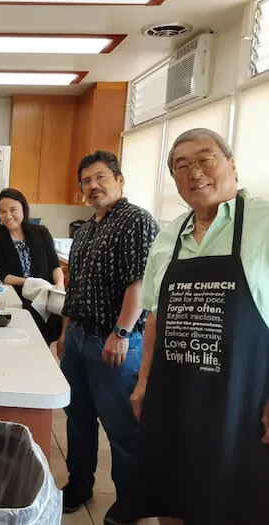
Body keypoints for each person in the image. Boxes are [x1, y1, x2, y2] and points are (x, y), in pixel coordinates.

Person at [129, 129, 269, 525]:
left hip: (242, 401)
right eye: (181, 166)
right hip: (173, 394)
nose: (195, 173)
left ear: (232, 164)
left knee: (234, 503)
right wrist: (143, 382)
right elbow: (156, 314)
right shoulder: (169, 235)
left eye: (205, 159)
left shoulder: (265, 222)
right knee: (171, 498)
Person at [57, 151, 159, 524]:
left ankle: (132, 500)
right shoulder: (87, 228)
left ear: (119, 179)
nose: (93, 186)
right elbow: (75, 286)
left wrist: (121, 331)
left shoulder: (136, 221)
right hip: (80, 337)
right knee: (77, 417)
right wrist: (66, 331)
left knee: (120, 427)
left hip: (114, 341)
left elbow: (140, 280)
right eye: (86, 181)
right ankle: (79, 483)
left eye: (100, 177)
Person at [0, 188, 64, 343]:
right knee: (18, 340)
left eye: (13, 209)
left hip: (46, 297)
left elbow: (55, 265)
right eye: (2, 212)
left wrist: (59, 285)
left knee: (43, 342)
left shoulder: (41, 232)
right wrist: (31, 283)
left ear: (23, 208)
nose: (8, 216)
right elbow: (4, 276)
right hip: (18, 298)